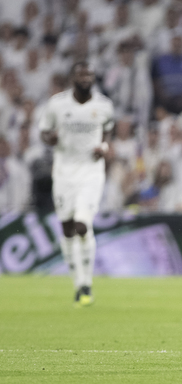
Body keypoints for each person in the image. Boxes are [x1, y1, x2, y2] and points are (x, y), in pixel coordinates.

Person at [40, 61, 114, 308]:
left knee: (83, 224)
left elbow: (107, 129)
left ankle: (87, 284)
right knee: (67, 228)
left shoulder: (103, 105)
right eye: (82, 74)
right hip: (63, 173)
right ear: (73, 77)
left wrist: (103, 147)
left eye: (90, 74)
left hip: (91, 172)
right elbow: (44, 132)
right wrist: (50, 138)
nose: (86, 78)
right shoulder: (57, 104)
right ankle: (77, 283)